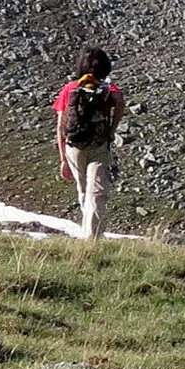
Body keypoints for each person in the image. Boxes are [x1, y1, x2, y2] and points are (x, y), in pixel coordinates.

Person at [53, 47, 127, 239]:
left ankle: (89, 236)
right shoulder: (108, 91)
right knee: (98, 192)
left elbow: (61, 126)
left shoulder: (70, 90)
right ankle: (92, 238)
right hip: (99, 145)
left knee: (84, 191)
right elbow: (120, 103)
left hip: (74, 146)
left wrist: (63, 159)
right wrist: (111, 131)